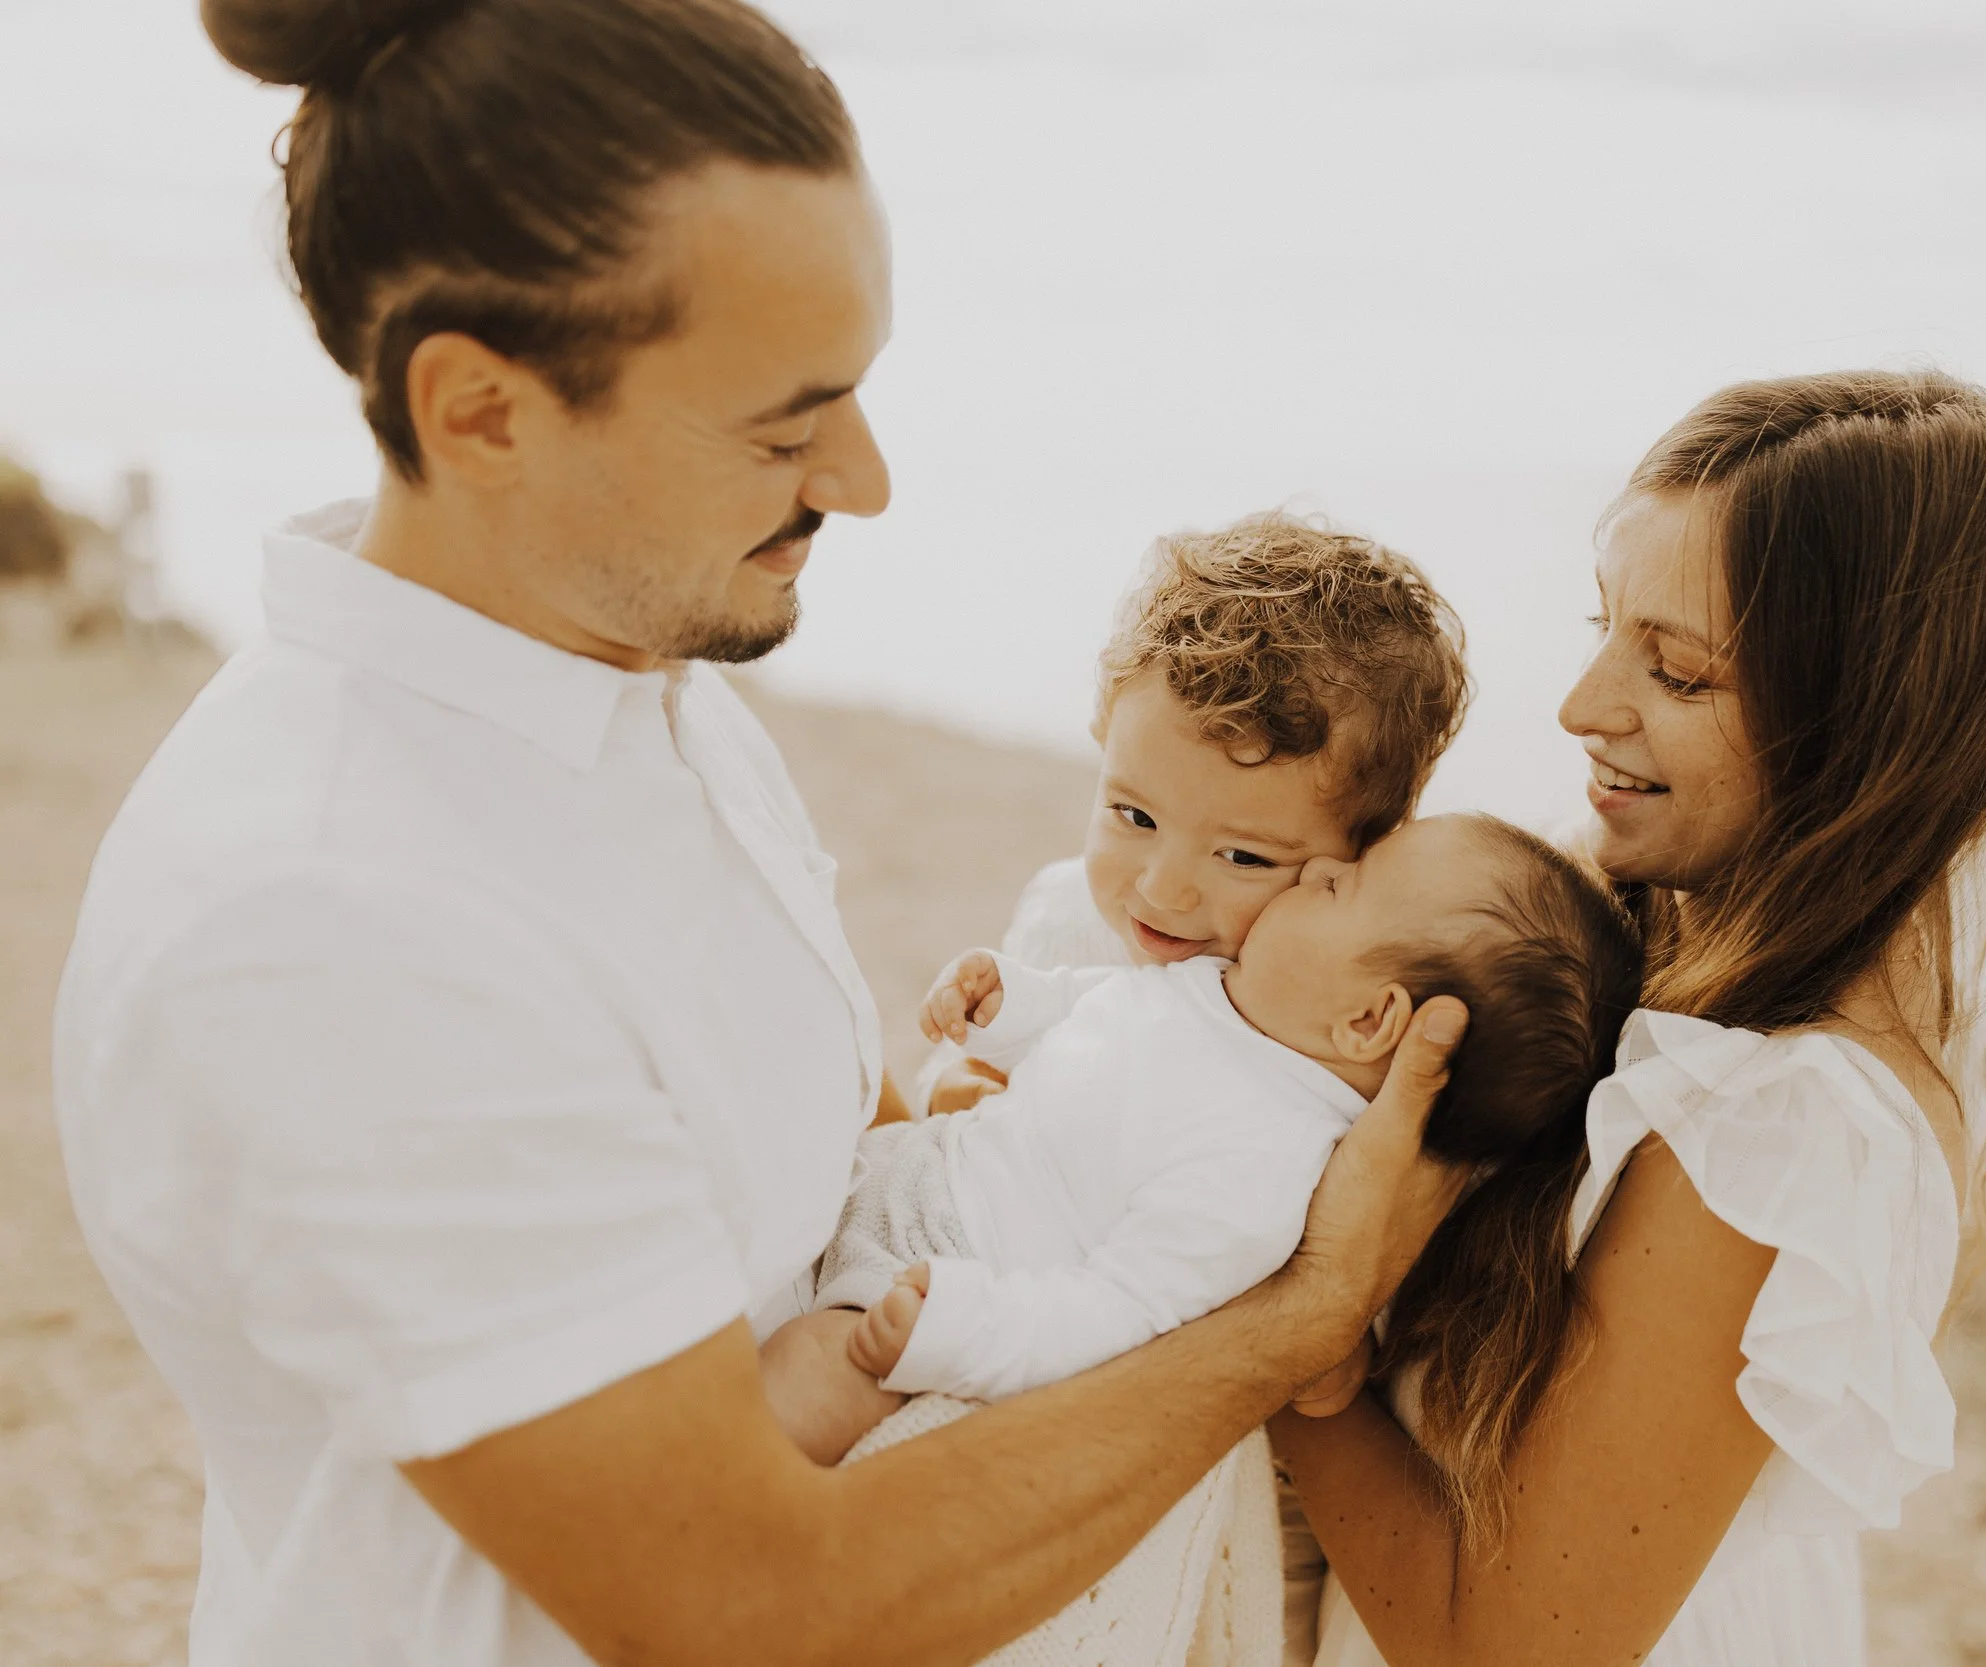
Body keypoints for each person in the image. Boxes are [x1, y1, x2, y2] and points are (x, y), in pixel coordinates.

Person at [51, 3, 1465, 1664]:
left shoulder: (642, 677)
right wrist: (1297, 1312)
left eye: (855, 392)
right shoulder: (338, 919)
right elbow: (750, 1604)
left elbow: (807, 1157)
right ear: (483, 412)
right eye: (786, 427)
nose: (863, 478)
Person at [1269, 370, 1986, 1667]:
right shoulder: (1627, 918)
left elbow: (1508, 1649)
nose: (1583, 705)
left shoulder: (1781, 1119)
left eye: (1680, 671)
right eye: (1607, 626)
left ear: (1870, 730)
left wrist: (1298, 1346)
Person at [811, 813, 1640, 1430]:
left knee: (799, 1379)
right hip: (898, 1172)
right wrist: (1007, 1003)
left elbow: (1120, 1313)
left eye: (1342, 885)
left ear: (1368, 1020)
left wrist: (962, 1327)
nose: (1319, 866)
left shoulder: (1265, 1169)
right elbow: (1092, 1017)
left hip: (943, 1276)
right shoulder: (1220, 994)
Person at [917, 512, 1470, 1118]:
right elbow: (964, 1066)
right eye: (1135, 816)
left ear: (1367, 853)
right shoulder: (1064, 917)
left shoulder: (1345, 1010)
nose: (1162, 891)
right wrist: (955, 1088)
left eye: (1243, 857)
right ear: (1104, 736)